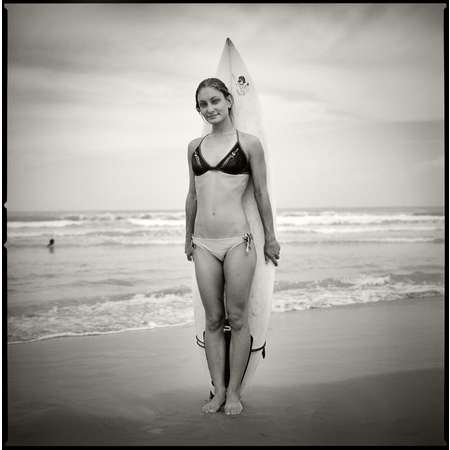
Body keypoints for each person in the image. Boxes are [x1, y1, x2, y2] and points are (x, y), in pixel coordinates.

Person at [185, 78, 280, 415]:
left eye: (214, 101)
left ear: (228, 100)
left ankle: (236, 393)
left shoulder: (249, 144)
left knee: (237, 319)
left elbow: (261, 193)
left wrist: (270, 237)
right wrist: (187, 237)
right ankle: (218, 391)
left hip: (238, 241)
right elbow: (193, 195)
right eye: (203, 105)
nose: (210, 109)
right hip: (204, 243)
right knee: (213, 319)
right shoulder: (193, 146)